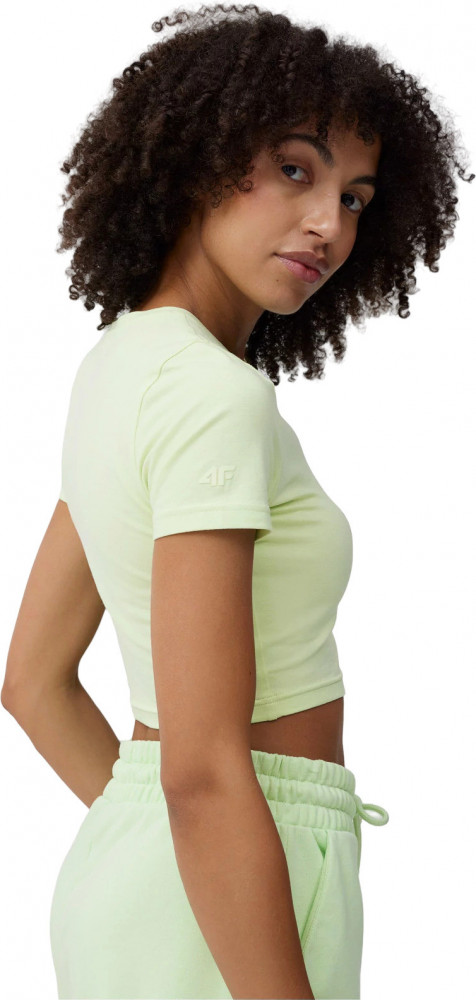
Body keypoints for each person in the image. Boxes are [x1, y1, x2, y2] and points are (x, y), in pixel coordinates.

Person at [3, 5, 473, 999]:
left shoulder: (122, 367)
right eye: (296, 169)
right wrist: (197, 830)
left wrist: (152, 840)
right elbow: (204, 768)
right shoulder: (213, 396)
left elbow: (33, 683)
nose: (329, 225)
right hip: (232, 875)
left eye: (354, 197)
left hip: (179, 878)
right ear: (195, 156)